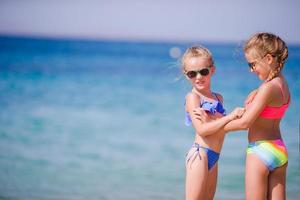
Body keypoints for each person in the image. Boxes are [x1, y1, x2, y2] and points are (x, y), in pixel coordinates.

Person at [194, 32, 290, 200]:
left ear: (268, 59)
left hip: (261, 151)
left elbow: (245, 123)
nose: (251, 70)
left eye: (253, 64)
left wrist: (214, 124)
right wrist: (259, 91)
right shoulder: (282, 85)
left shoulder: (267, 89)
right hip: (279, 150)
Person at [182, 45, 245, 200]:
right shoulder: (193, 98)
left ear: (212, 70)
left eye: (203, 71)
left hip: (215, 156)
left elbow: (220, 128)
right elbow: (202, 130)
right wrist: (229, 117)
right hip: (200, 155)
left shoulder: (218, 98)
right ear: (186, 76)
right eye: (192, 73)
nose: (198, 77)